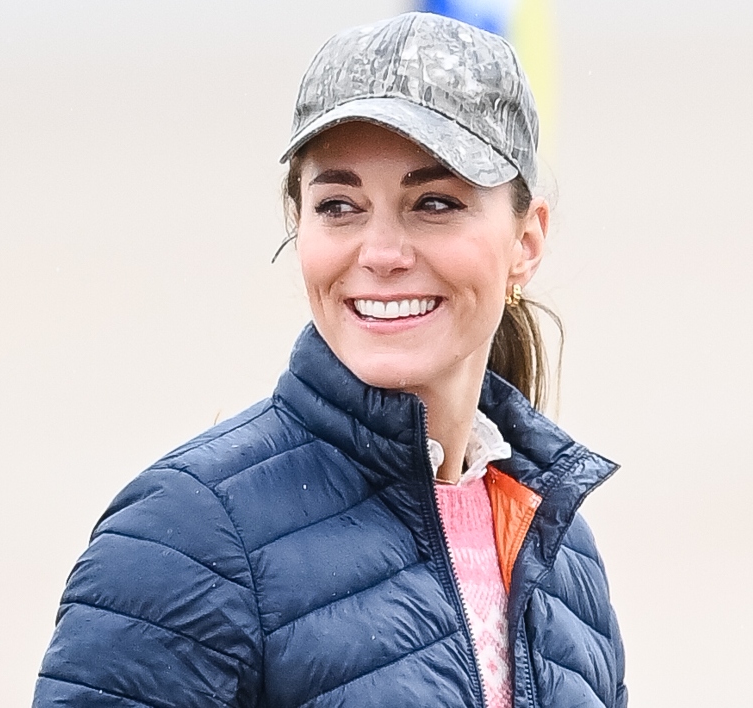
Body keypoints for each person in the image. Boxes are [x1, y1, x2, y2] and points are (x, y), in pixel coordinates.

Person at [33, 12, 626, 708]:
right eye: (339, 205)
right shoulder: (186, 536)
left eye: (433, 203)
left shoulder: (556, 543)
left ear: (526, 240)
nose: (379, 253)